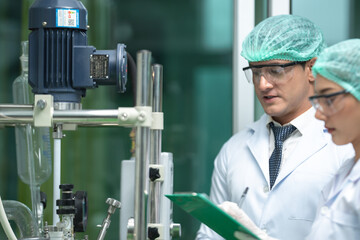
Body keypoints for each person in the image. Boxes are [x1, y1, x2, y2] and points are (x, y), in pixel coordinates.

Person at [196, 15, 354, 240]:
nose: (263, 84)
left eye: (276, 70)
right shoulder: (234, 149)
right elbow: (209, 234)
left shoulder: (345, 146)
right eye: (256, 72)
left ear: (311, 68)